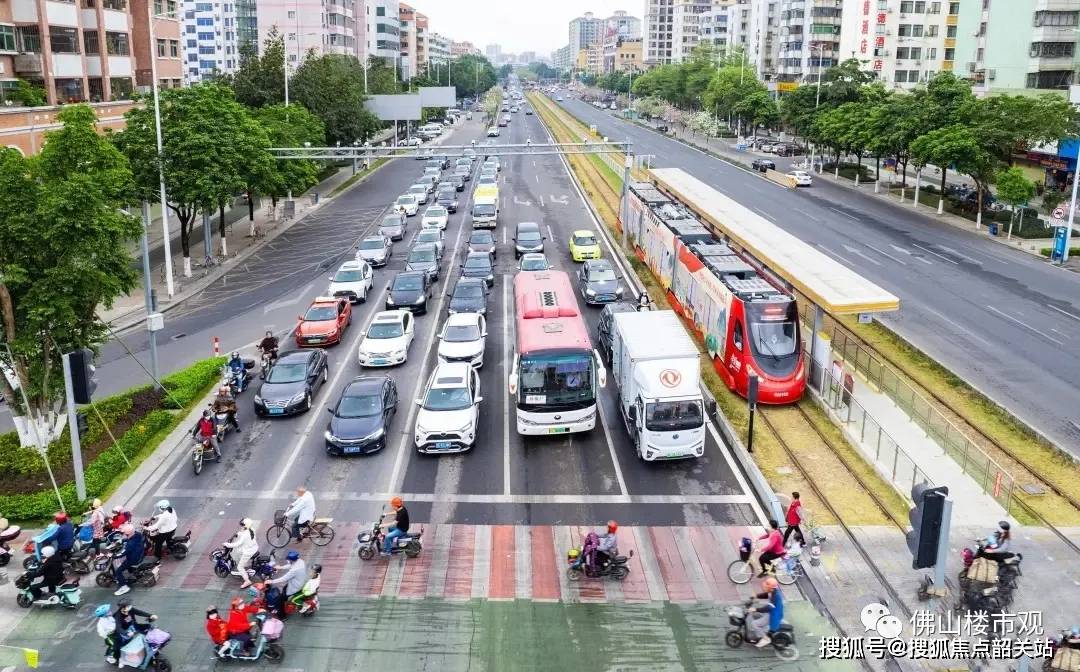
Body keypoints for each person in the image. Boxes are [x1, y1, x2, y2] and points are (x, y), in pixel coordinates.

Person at [266, 550, 306, 617]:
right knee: (284, 589)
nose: (287, 560)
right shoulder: (300, 561)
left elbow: (284, 578)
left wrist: (271, 581)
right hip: (298, 582)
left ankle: (282, 616)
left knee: (279, 600)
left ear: (292, 560)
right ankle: (286, 602)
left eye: (288, 559)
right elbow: (291, 565)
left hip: (295, 587)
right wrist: (281, 567)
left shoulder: (294, 570)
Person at [748, 577, 785, 648]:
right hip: (773, 611)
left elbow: (768, 608)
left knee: (754, 624)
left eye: (767, 586)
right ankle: (762, 630)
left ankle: (766, 638)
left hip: (773, 615)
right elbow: (766, 595)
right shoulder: (773, 591)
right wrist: (756, 596)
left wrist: (756, 609)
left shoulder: (776, 596)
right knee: (757, 616)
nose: (764, 587)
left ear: (771, 588)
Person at [223, 518, 259, 589]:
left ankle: (247, 581)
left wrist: (227, 544)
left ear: (245, 526)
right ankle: (243, 564)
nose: (241, 526)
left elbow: (237, 544)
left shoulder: (245, 535)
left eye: (242, 525)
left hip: (248, 551)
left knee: (240, 567)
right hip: (253, 547)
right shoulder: (252, 529)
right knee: (239, 551)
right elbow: (245, 534)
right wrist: (239, 533)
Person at [113, 523, 146, 596]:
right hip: (140, 555)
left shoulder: (130, 544)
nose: (125, 535)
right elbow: (130, 539)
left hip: (133, 559)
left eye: (126, 534)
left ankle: (124, 587)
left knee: (118, 571)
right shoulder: (138, 534)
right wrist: (122, 540)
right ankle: (131, 572)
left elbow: (123, 553)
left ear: (128, 534)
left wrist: (114, 556)